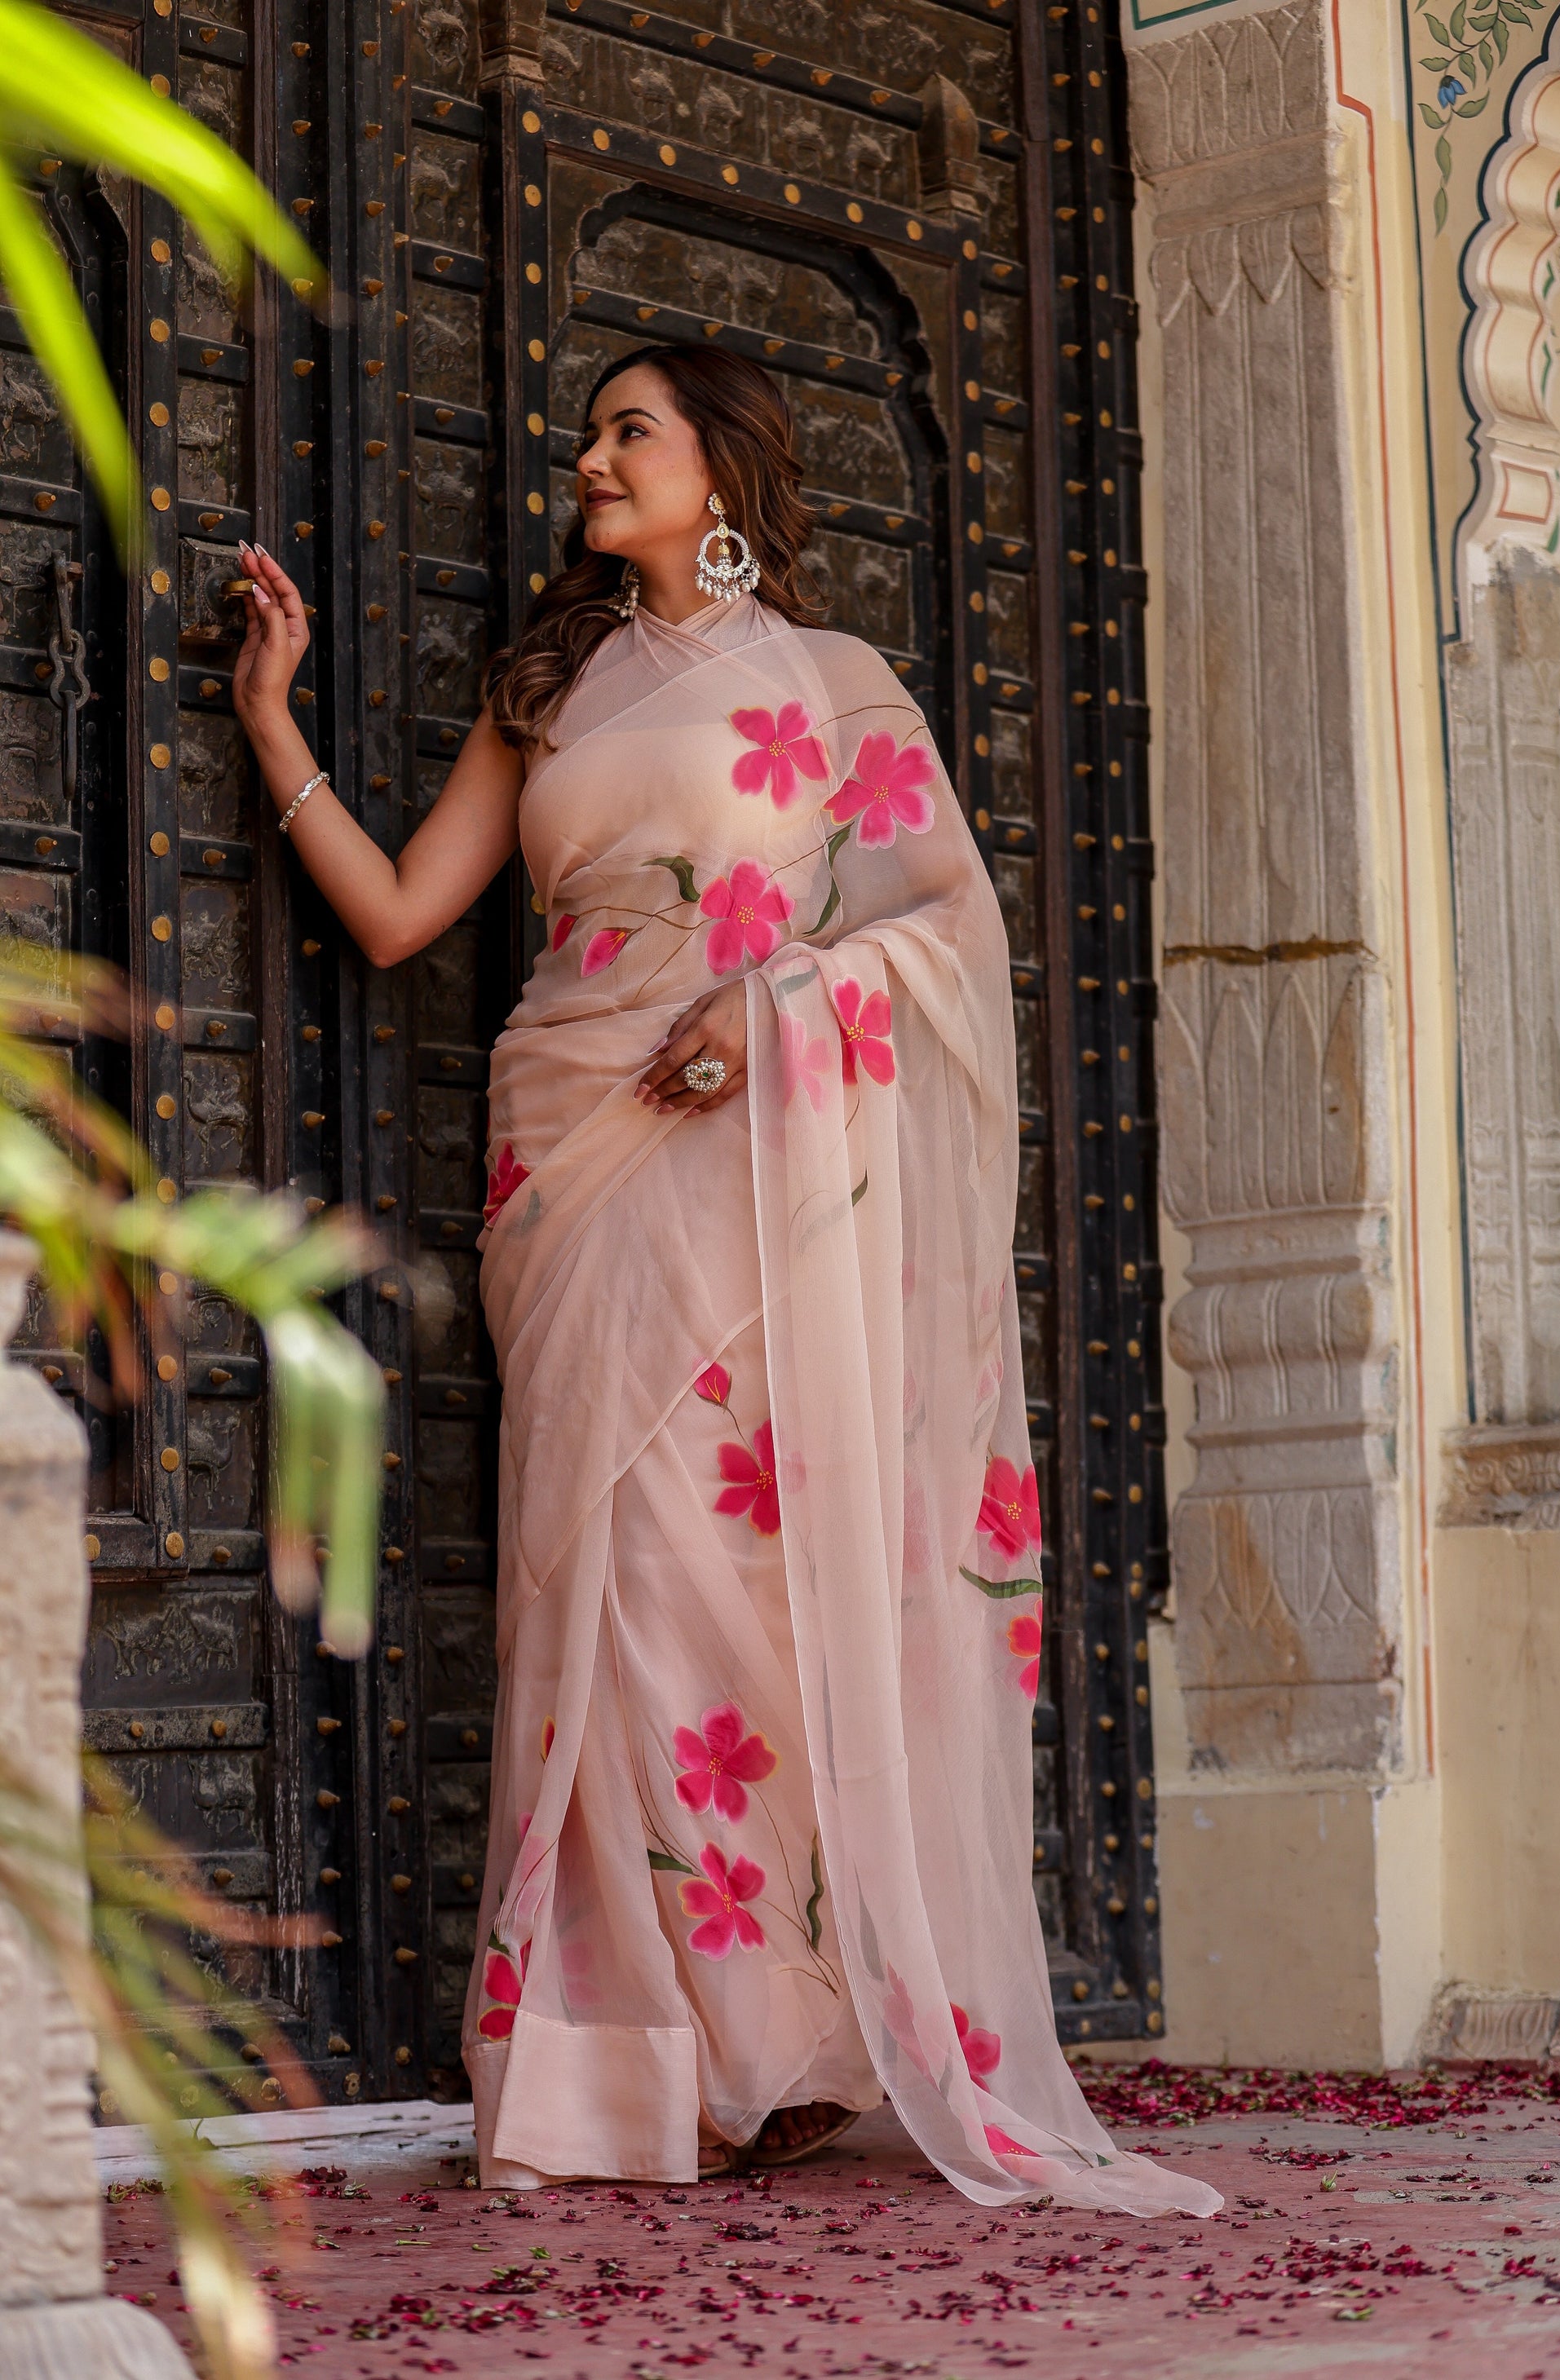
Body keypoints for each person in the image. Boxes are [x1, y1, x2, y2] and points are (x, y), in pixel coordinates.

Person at [231, 342, 1218, 2214]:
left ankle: (781, 2038)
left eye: (631, 432)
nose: (591, 460)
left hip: (751, 1168)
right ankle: (629, 2064)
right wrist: (274, 725)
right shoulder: (544, 689)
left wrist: (780, 1004)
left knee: (738, 1586)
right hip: (569, 1155)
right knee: (600, 1594)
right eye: (591, 436)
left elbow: (948, 924)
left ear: (721, 470)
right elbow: (400, 912)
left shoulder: (836, 688)